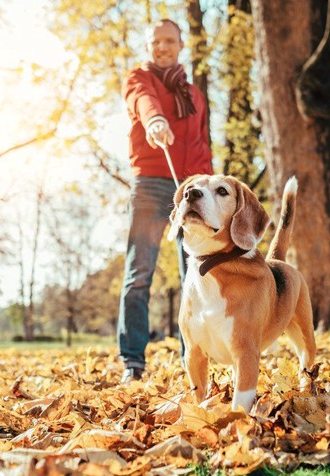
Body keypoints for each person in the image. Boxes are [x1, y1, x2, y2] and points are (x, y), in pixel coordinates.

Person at [118, 18, 213, 383]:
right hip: (151, 186)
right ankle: (133, 362)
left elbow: (202, 144)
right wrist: (155, 120)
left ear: (180, 45)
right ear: (149, 46)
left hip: (191, 189)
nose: (162, 47)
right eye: (155, 41)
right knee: (139, 273)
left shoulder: (196, 95)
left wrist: (209, 186)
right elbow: (143, 102)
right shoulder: (139, 78)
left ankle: (194, 358)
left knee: (196, 275)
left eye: (169, 41)